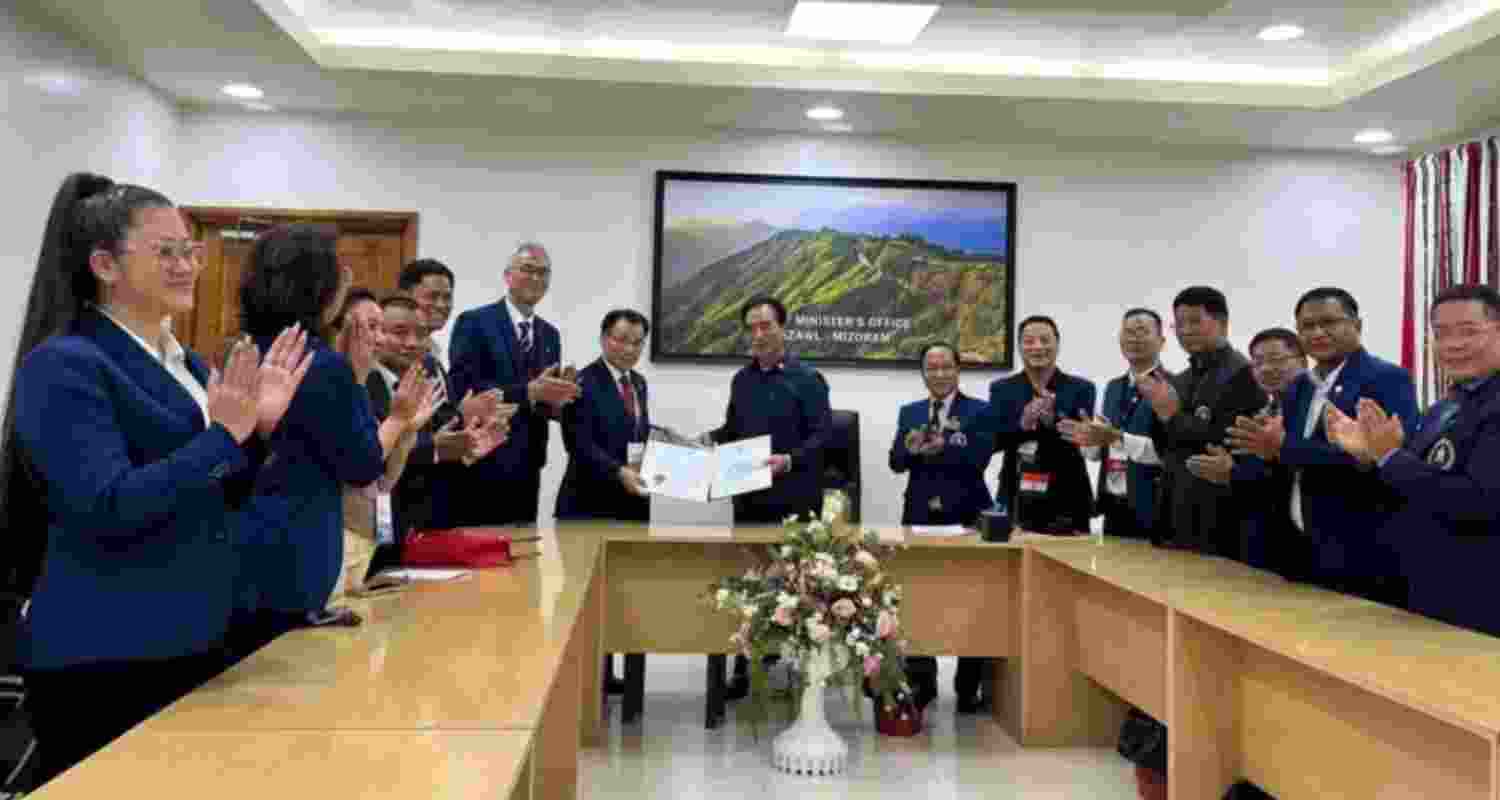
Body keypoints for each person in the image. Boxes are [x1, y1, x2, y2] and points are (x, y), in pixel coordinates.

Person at [3, 174, 311, 784]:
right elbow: (107, 507)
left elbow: (216, 493)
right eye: (164, 251)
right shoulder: (65, 365)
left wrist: (260, 434)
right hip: (106, 654)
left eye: (190, 250)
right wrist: (223, 438)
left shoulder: (187, 362)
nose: (187, 265)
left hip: (189, 638)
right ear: (104, 265)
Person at [231, 225, 440, 652]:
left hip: (243, 543)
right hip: (297, 550)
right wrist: (398, 417)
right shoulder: (323, 364)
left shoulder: (247, 346)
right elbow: (364, 465)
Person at [1327, 284, 1500, 637]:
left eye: (1468, 331)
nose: (1453, 344)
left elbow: (1479, 502)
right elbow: (1414, 484)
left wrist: (1389, 457)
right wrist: (1371, 455)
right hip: (1426, 589)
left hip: (1481, 599)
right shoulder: (1445, 407)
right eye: (1441, 333)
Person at [1227, 289, 1416, 601]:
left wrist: (1282, 448)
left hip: (1361, 546)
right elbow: (1286, 460)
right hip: (1298, 544)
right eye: (1307, 326)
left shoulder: (1387, 378)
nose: (1317, 332)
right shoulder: (1299, 386)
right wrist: (1257, 457)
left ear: (1357, 324)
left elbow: (1379, 459)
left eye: (1328, 322)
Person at [706, 295, 832, 704]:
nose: (759, 334)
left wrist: (790, 460)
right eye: (753, 327)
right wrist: (700, 444)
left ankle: (796, 669)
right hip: (749, 501)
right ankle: (746, 667)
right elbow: (732, 430)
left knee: (791, 588)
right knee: (751, 587)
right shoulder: (741, 380)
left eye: (767, 326)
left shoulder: (808, 378)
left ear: (783, 329)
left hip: (794, 502)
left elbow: (822, 437)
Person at [365, 295, 508, 577]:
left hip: (422, 522)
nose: (412, 343)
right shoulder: (362, 382)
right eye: (399, 333)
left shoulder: (425, 375)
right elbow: (371, 453)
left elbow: (442, 440)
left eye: (421, 334)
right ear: (377, 334)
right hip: (372, 525)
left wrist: (469, 446)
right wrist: (436, 449)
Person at [556, 309, 653, 713]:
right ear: (603, 338)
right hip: (588, 504)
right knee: (584, 600)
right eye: (620, 339)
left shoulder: (639, 383)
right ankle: (581, 678)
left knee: (620, 597)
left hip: (630, 505)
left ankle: (609, 673)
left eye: (636, 342)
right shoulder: (580, 383)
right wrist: (618, 472)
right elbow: (578, 444)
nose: (628, 348)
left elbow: (637, 437)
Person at [889, 342, 994, 714]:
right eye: (930, 368)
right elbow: (895, 462)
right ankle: (922, 679)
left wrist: (942, 444)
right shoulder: (910, 412)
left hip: (967, 513)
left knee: (974, 599)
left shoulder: (980, 410)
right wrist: (913, 450)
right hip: (919, 513)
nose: (938, 374)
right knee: (917, 597)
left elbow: (979, 458)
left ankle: (968, 685)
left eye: (945, 366)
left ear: (958, 369)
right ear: (923, 373)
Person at [449, 242, 580, 525]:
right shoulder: (474, 322)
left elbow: (540, 402)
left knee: (521, 551)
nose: (536, 278)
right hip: (482, 458)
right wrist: (527, 391)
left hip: (530, 461)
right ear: (508, 276)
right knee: (480, 552)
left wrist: (557, 400)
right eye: (528, 270)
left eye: (544, 273)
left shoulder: (550, 334)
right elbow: (463, 388)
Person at [1143, 287, 1266, 556]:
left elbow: (1222, 443)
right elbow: (1165, 448)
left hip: (1220, 519)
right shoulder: (1182, 378)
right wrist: (1161, 415)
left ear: (1222, 323)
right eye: (1180, 324)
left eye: (1195, 321)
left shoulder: (1244, 374)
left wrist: (1172, 417)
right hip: (1175, 512)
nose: (1186, 330)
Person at [1187, 328, 1309, 574]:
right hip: (1264, 539)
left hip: (1309, 539)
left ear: (1304, 361)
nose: (1265, 369)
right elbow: (1264, 477)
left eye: (1276, 359)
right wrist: (1231, 471)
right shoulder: (1262, 412)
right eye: (1258, 362)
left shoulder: (1315, 411)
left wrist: (1241, 470)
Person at [1061, 309, 1171, 540]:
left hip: (1155, 506)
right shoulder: (1112, 387)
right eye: (1128, 332)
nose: (1134, 338)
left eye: (1142, 332)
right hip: (1114, 504)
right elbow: (1099, 452)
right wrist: (1087, 441)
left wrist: (1115, 437)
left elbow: (1169, 451)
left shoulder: (1173, 386)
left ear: (1161, 341)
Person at [990, 315, 1096, 534]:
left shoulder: (1081, 388)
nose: (1037, 347)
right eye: (1029, 341)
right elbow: (994, 441)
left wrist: (1052, 421)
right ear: (1019, 346)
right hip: (1016, 493)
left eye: (1045, 340)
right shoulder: (1002, 388)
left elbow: (1083, 441)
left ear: (1057, 344)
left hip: (1067, 495)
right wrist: (1022, 424)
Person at [399, 258, 455, 367]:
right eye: (432, 296)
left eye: (447, 297)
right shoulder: (392, 349)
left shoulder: (433, 350)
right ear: (405, 296)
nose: (441, 305)